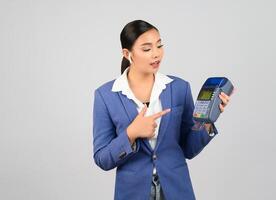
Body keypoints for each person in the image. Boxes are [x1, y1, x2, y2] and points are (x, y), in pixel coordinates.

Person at [93, 19, 231, 200]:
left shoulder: (179, 88)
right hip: (132, 192)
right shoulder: (106, 95)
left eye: (159, 46)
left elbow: (188, 149)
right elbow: (102, 158)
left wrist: (208, 121)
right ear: (127, 54)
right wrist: (131, 133)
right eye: (147, 49)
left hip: (177, 190)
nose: (156, 54)